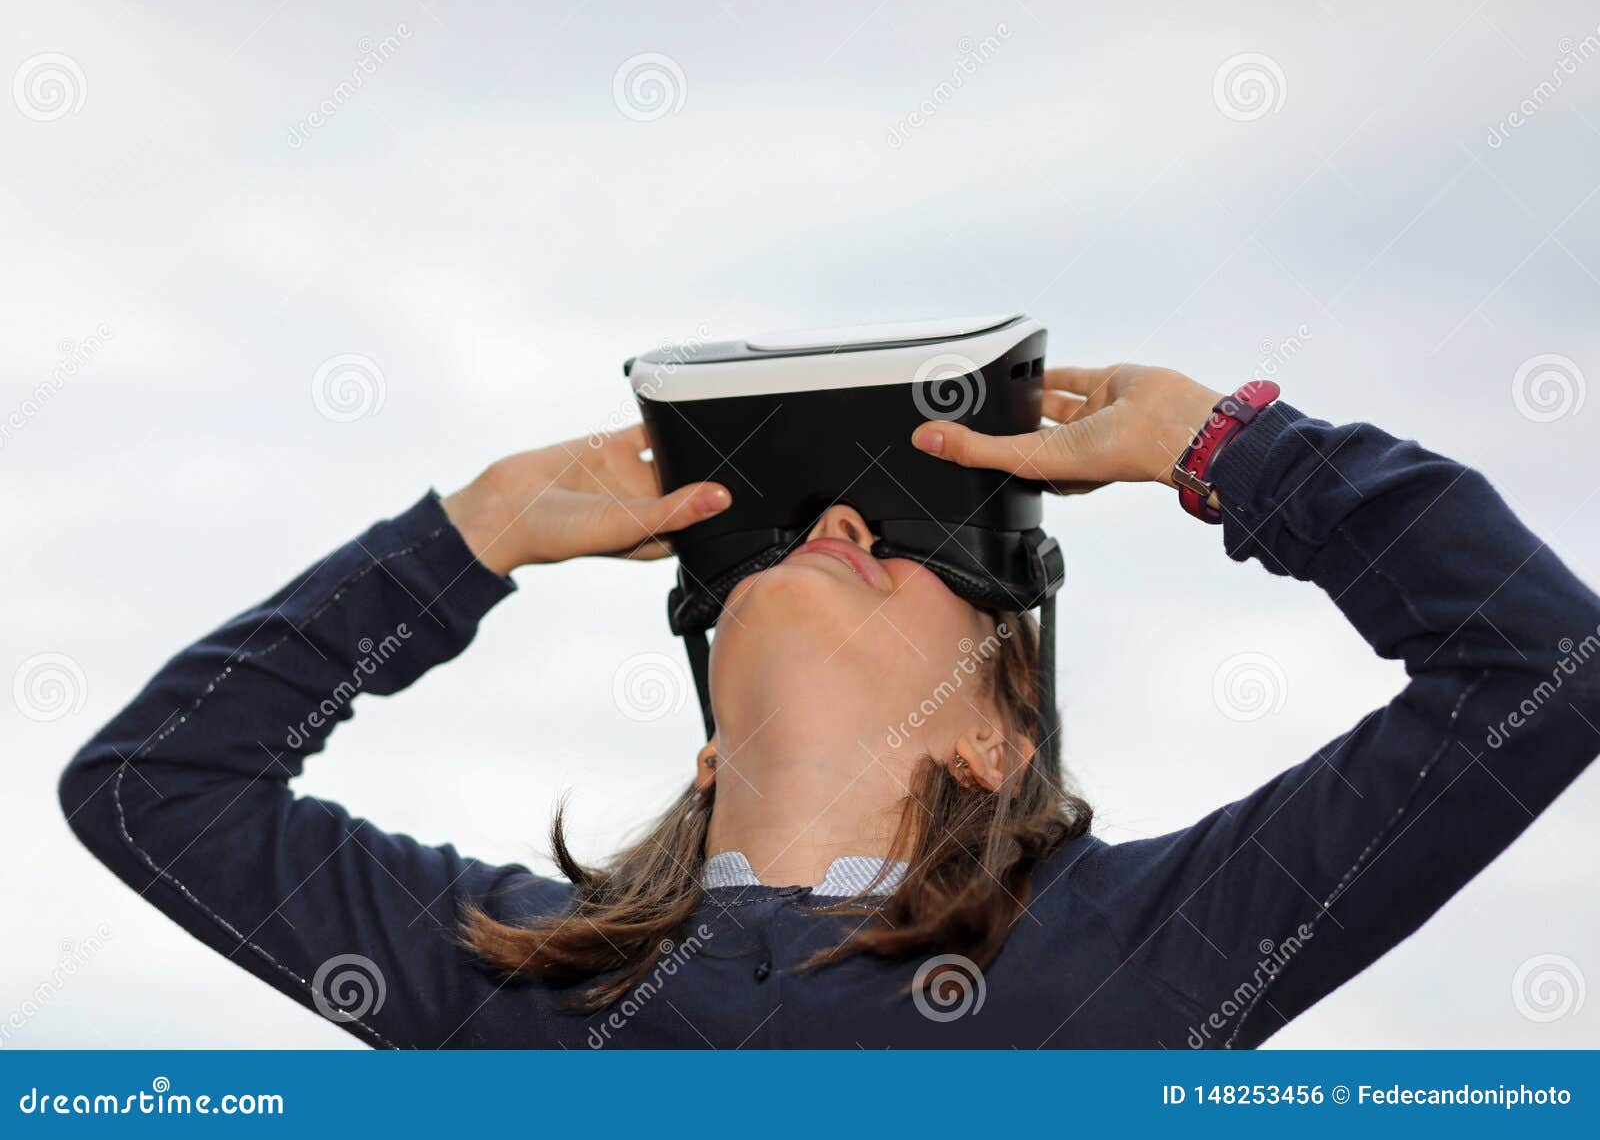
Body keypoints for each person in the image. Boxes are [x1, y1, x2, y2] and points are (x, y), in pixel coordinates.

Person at [60, 363, 1600, 1048]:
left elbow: (1540, 660)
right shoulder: (513, 984)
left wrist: (1228, 448)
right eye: (801, 529)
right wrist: (466, 537)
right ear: (711, 730)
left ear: (997, 742)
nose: (839, 526)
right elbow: (151, 788)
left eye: (911, 543)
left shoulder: (1147, 954)